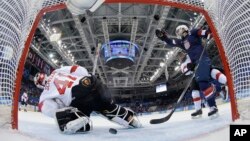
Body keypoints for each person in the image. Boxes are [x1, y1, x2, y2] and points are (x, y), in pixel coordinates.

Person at [34, 65, 141, 134]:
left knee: (66, 118)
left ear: (39, 85)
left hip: (79, 98)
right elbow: (78, 69)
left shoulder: (45, 93)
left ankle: (78, 119)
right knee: (109, 108)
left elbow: (46, 107)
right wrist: (86, 82)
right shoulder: (57, 71)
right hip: (93, 83)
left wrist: (64, 108)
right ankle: (130, 118)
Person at [155, 25, 218, 118]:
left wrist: (208, 31)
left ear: (184, 29)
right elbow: (171, 42)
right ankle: (199, 110)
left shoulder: (192, 32)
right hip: (196, 64)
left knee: (203, 84)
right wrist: (164, 37)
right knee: (195, 89)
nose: (177, 32)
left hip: (202, 59)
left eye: (178, 30)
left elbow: (204, 33)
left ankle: (213, 107)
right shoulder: (181, 42)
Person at [177, 51, 228, 118]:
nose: (181, 56)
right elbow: (186, 72)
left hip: (204, 68)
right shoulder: (182, 65)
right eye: (179, 56)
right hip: (196, 75)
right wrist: (189, 67)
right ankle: (198, 110)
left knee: (215, 73)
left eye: (181, 54)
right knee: (194, 93)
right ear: (179, 59)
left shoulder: (189, 54)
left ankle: (226, 85)